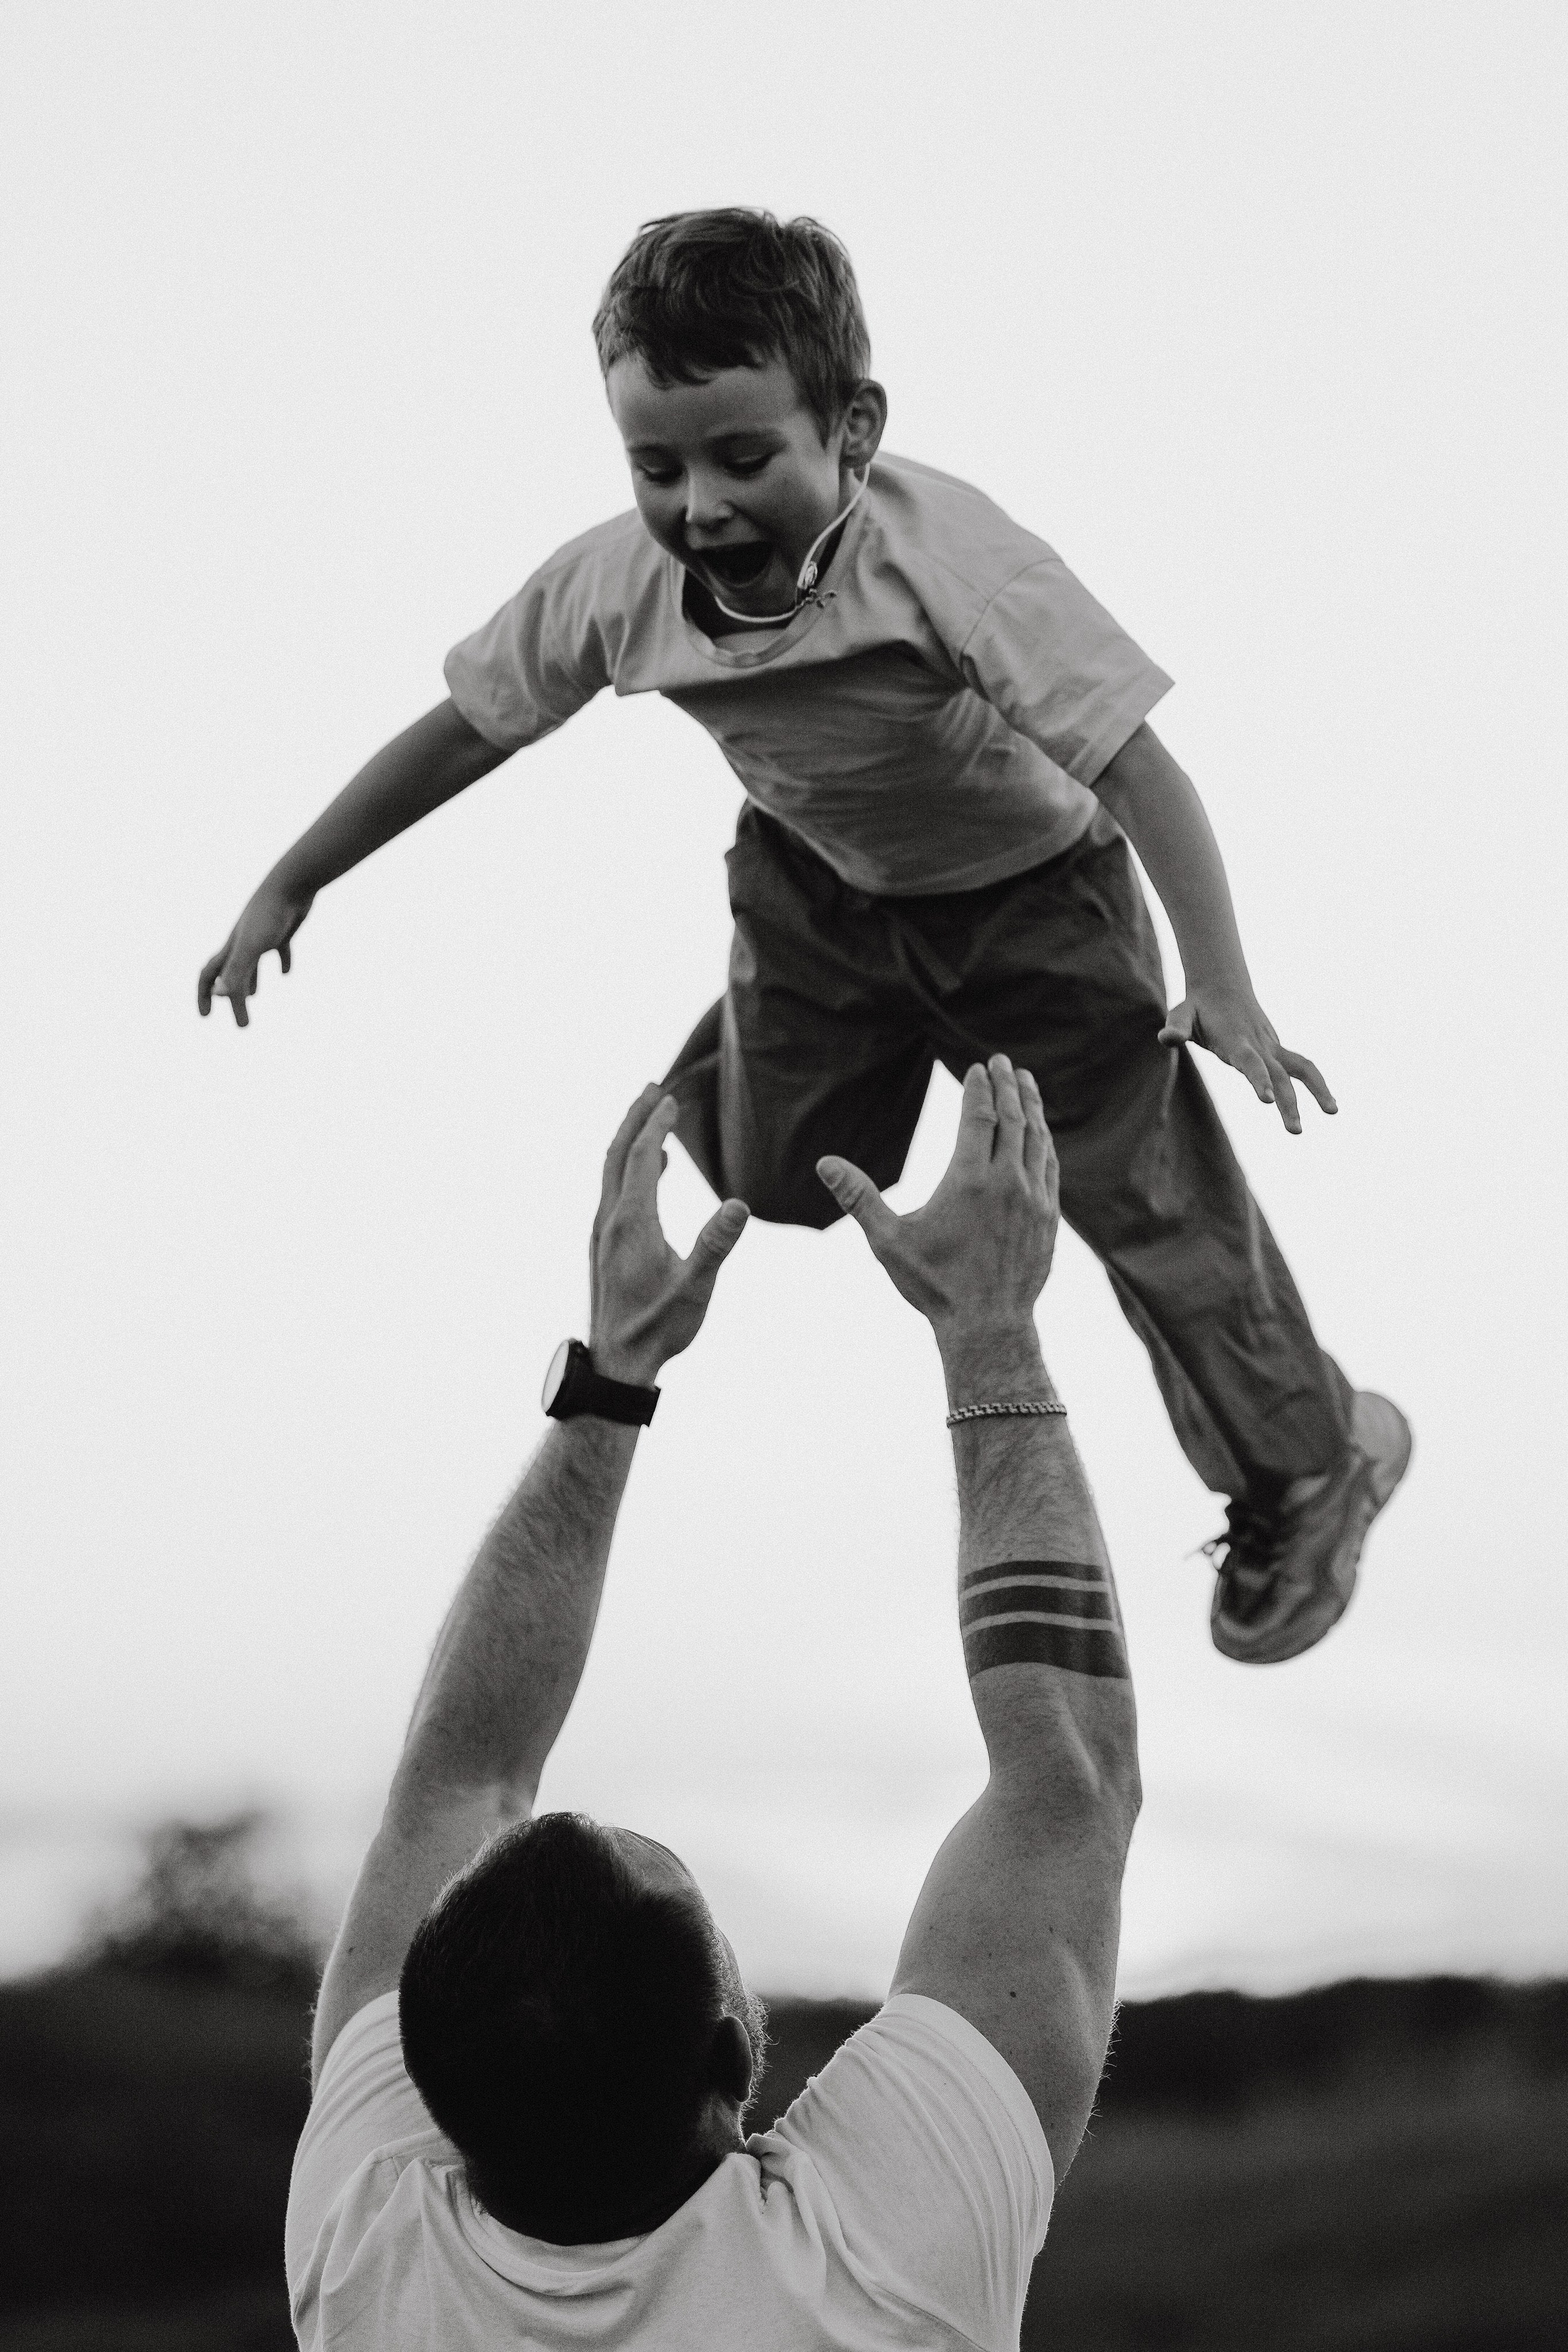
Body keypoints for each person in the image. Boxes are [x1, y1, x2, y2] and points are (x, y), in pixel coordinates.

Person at [198, 209, 1409, 1661]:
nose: (700, 507)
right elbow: (467, 728)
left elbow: (1139, 767)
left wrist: (1218, 980)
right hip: (819, 898)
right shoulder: (615, 586)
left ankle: (1313, 1462)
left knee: (1143, 1204)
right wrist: (297, 876)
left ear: (851, 432)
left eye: (742, 459)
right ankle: (768, 1034)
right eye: (657, 468)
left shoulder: (950, 561)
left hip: (1036, 908)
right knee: (776, 1183)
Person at [285, 1058, 1139, 2351]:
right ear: (732, 2058)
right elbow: (1066, 1779)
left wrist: (612, 1379)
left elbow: (458, 1775)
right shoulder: (887, 2261)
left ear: (413, 2078)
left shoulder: (368, 2259)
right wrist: (989, 1328)